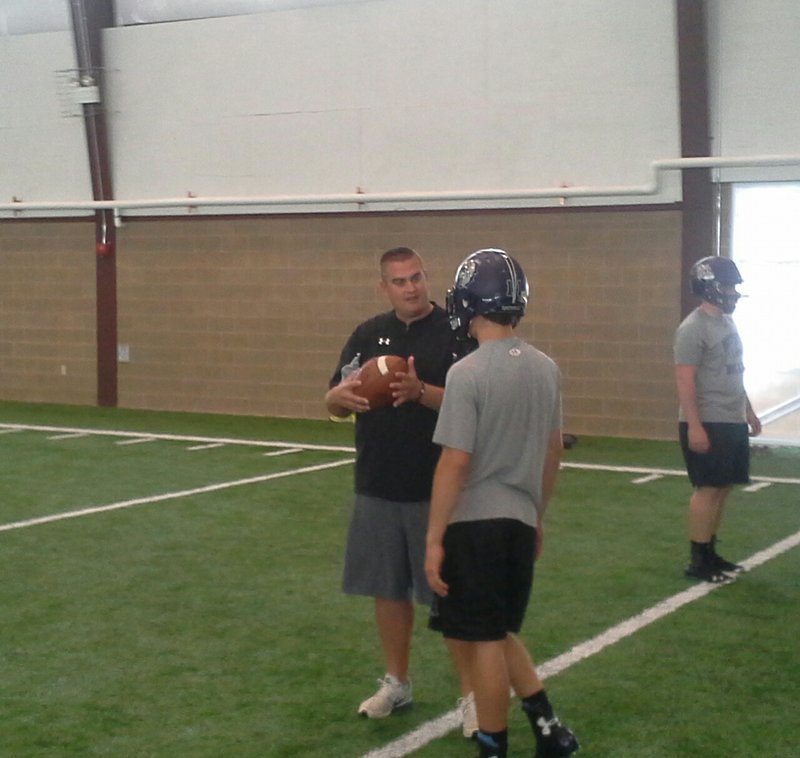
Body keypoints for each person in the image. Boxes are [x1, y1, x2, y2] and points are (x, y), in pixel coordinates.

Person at [425, 249, 579, 758]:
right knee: (499, 630)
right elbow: (552, 452)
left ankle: (494, 746)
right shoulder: (546, 369)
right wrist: (537, 515)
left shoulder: (466, 374)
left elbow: (455, 460)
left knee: (484, 642)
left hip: (475, 525)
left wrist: (433, 538)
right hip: (518, 519)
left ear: (471, 302)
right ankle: (548, 727)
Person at [325, 246, 477, 734]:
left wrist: (422, 393)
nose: (410, 287)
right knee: (388, 592)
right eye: (399, 281)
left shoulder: (458, 333)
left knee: (450, 596)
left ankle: (474, 696)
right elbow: (337, 397)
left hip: (439, 489)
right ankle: (398, 682)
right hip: (377, 483)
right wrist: (335, 399)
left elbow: (479, 404)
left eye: (416, 277)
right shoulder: (368, 334)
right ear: (383, 287)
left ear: (426, 278)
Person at [674, 255, 762, 583]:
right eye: (727, 286)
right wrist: (695, 425)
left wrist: (748, 410)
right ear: (709, 287)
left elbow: (734, 372)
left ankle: (711, 552)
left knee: (723, 488)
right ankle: (698, 559)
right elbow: (685, 381)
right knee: (708, 488)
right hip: (708, 420)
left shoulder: (726, 323)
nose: (733, 292)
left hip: (730, 419)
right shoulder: (692, 328)